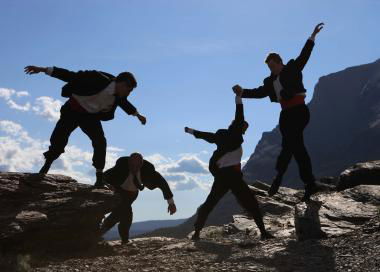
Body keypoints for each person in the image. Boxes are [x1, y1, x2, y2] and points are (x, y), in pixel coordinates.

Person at [232, 23, 324, 201]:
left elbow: (304, 55)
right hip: (286, 114)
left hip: (299, 111)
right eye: (269, 68)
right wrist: (242, 92)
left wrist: (312, 36)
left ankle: (281, 177)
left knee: (293, 144)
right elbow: (259, 93)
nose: (272, 70)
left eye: (273, 66)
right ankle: (307, 184)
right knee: (292, 147)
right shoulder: (270, 81)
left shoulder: (292, 69)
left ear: (280, 62)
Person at [24, 65, 146, 187]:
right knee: (59, 139)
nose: (128, 94)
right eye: (128, 90)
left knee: (100, 141)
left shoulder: (119, 96)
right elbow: (70, 75)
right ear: (122, 84)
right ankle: (46, 166)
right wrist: (43, 70)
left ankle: (99, 178)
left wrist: (138, 115)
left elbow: (126, 104)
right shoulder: (97, 78)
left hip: (89, 117)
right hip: (72, 110)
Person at [184, 94, 273, 240]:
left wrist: (191, 131)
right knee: (251, 203)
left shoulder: (221, 136)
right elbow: (239, 115)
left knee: (210, 203)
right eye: (244, 127)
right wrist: (239, 98)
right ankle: (263, 233)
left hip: (223, 176)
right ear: (238, 126)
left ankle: (197, 233)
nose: (245, 130)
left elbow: (206, 136)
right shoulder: (235, 134)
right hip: (231, 176)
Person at [99, 153, 177, 244]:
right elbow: (102, 177)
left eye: (137, 165)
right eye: (132, 165)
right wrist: (107, 185)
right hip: (118, 192)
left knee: (122, 213)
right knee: (125, 213)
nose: (134, 168)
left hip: (132, 195)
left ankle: (101, 233)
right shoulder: (120, 168)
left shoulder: (148, 171)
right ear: (128, 163)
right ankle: (123, 240)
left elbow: (163, 184)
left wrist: (171, 203)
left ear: (141, 164)